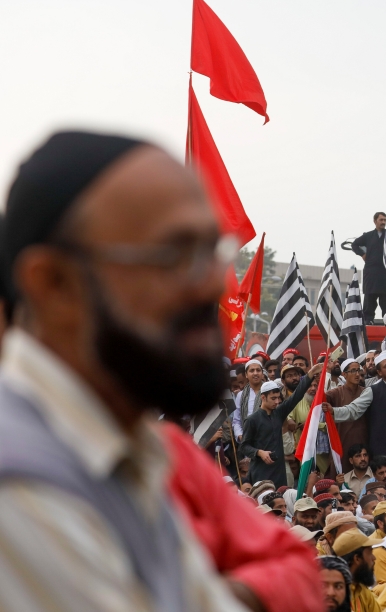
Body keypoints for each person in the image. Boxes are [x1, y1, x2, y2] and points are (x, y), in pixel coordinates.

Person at [0, 132, 323, 611]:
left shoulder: (130, 453)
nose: (214, 284)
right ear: (54, 285)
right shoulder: (20, 487)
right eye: (173, 254)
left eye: (211, 252)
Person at [242, 366, 317, 485]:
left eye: (278, 398)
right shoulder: (252, 420)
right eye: (273, 398)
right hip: (260, 471)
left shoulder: (279, 413)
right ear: (263, 398)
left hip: (279, 471)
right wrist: (260, 452)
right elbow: (244, 446)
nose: (277, 402)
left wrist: (310, 374)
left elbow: (296, 396)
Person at [352, 212, 386, 323]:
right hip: (371, 274)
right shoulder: (368, 236)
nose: (383, 222)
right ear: (375, 221)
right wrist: (362, 254)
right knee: (369, 301)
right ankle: (368, 322)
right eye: (381, 220)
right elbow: (354, 244)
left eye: (385, 220)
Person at [328, 357, 372, 452]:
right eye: (353, 371)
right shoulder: (335, 393)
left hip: (363, 439)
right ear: (344, 374)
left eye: (358, 370)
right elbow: (320, 399)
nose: (357, 374)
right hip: (342, 440)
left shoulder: (366, 392)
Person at [234, 357, 267, 440]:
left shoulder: (269, 391)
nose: (255, 373)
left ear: (262, 374)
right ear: (246, 375)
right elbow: (236, 421)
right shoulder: (241, 395)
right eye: (252, 371)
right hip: (247, 441)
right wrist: (240, 435)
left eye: (258, 370)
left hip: (267, 440)